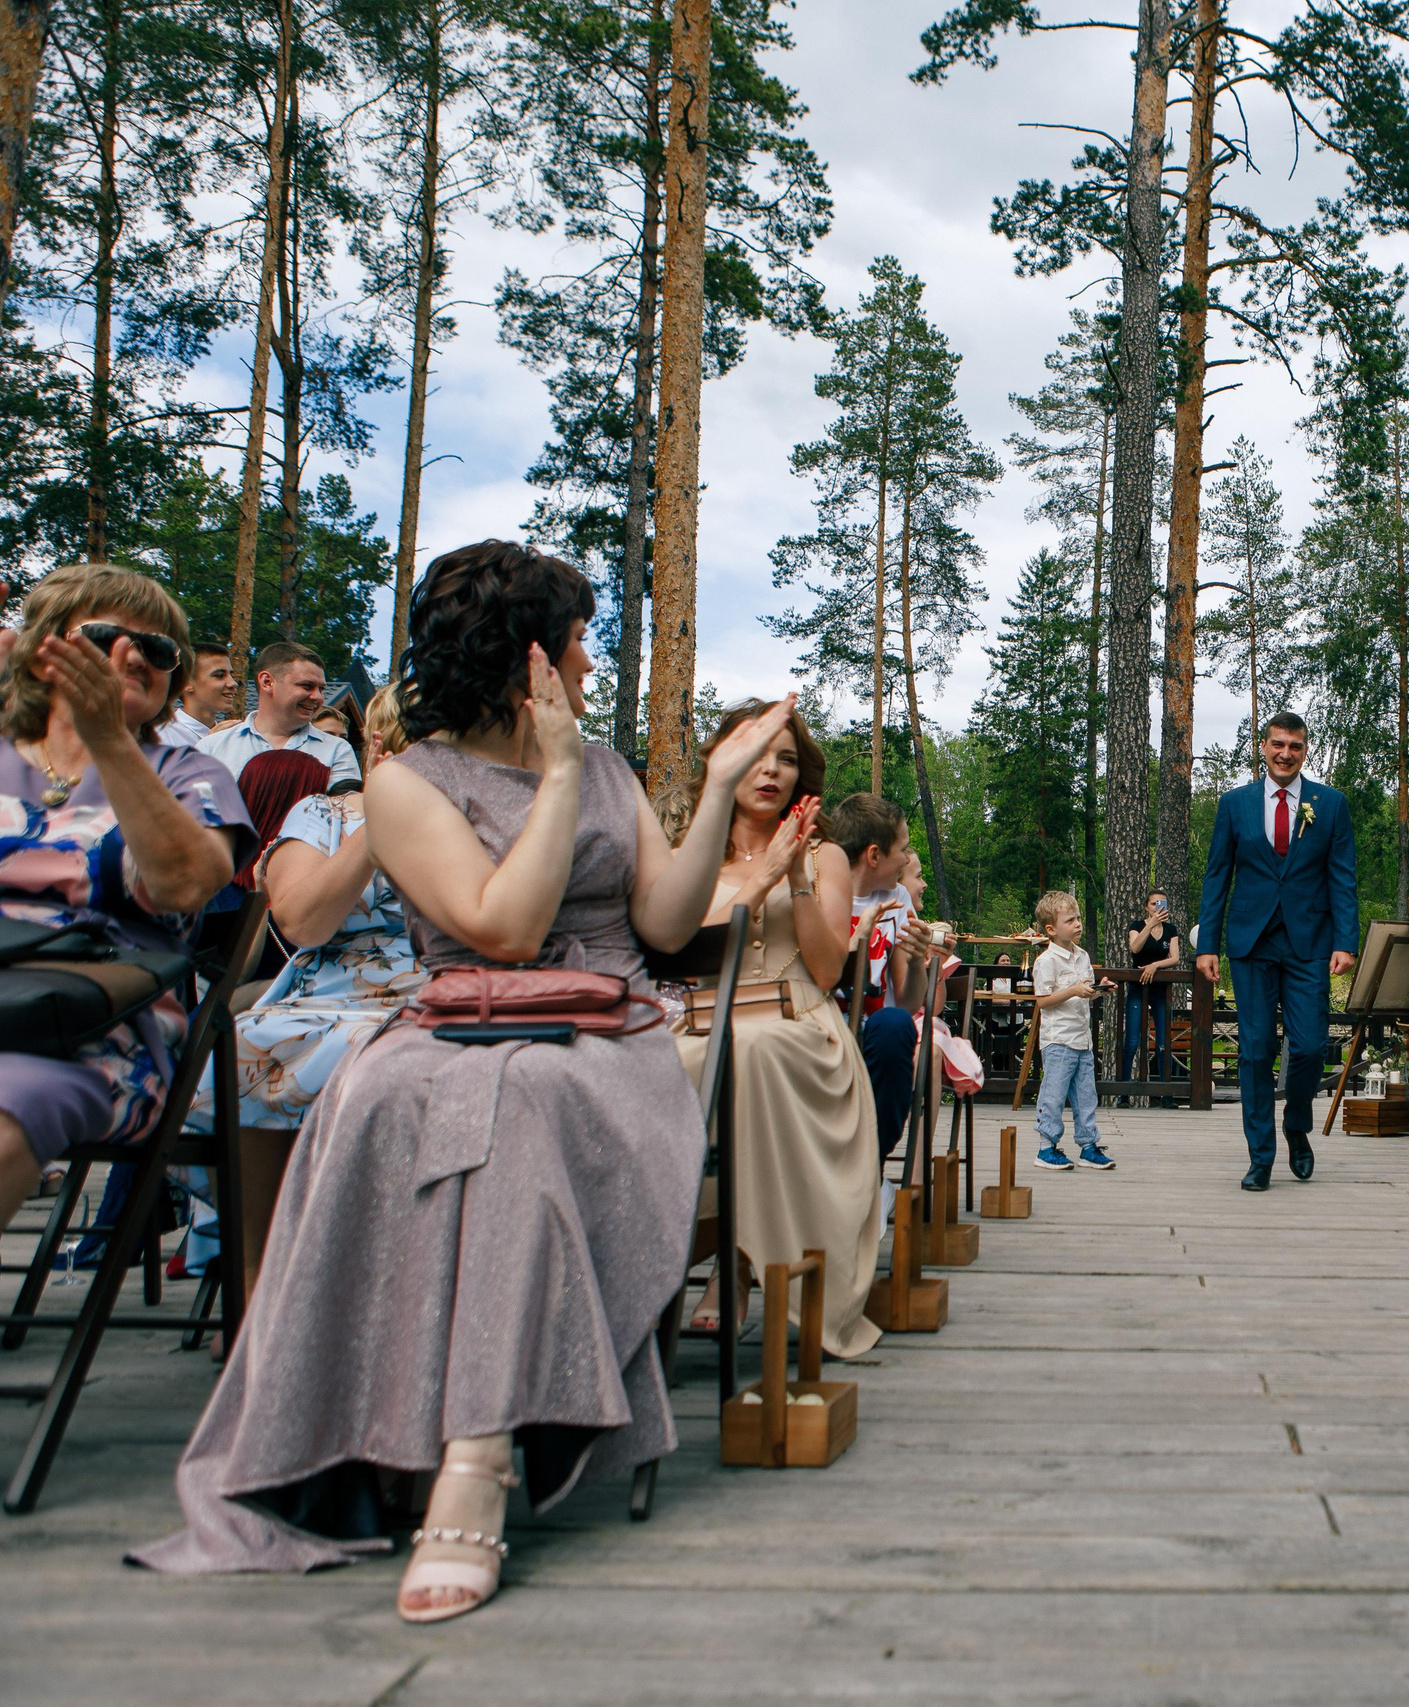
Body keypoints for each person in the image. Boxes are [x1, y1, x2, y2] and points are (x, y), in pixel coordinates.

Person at [136, 540, 791, 1624]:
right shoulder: (404, 784)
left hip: (602, 1032)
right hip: (454, 1019)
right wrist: (562, 772)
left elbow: (668, 923)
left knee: (522, 1101)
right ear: (524, 656)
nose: (591, 663)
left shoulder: (613, 770)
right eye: (577, 641)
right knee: (383, 1099)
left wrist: (717, 788)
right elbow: (499, 928)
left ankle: (473, 1464)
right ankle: (375, 1433)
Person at [0, 565, 251, 1235]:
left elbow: (185, 884)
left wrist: (110, 740)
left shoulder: (188, 774)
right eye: (108, 634)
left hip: (93, 1036)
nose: (135, 655)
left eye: (160, 649)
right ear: (43, 649)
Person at [661, 697, 880, 1358]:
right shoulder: (689, 859)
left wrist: (796, 878)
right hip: (703, 1021)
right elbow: (679, 950)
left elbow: (827, 967)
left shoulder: (825, 860)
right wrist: (757, 878)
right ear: (722, 765)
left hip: (799, 1024)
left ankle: (737, 1265)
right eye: (757, 755)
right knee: (665, 1064)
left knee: (752, 1051)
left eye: (786, 758)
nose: (772, 770)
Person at [193, 688, 424, 1137]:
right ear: (389, 742)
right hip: (332, 995)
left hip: (451, 992)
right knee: (256, 1044)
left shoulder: (486, 815)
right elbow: (301, 924)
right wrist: (379, 818)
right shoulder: (326, 813)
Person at [1196, 711, 1358, 1192]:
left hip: (1309, 943)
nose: (1285, 753)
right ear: (1263, 747)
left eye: (1295, 746)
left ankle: (1297, 1126)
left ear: (1305, 750)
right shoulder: (1234, 804)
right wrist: (1208, 945)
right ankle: (1260, 1157)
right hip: (1251, 942)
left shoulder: (1329, 804)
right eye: (1277, 744)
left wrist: (1345, 941)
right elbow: (1216, 877)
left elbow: (1342, 877)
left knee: (1310, 1046)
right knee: (1256, 1049)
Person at [834, 791, 934, 1161]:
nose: (907, 859)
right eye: (903, 849)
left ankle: (870, 1164)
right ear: (874, 855)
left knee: (893, 1023)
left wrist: (918, 958)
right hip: (821, 1021)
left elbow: (907, 1004)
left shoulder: (897, 902)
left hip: (874, 1029)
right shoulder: (820, 892)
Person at [197, 639, 359, 790]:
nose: (318, 697)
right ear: (267, 682)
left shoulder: (336, 750)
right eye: (307, 686)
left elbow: (345, 815)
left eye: (321, 689)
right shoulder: (212, 748)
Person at [1031, 889, 1114, 1171]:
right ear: (1051, 929)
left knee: (1086, 1095)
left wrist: (1099, 990)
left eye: (1078, 918)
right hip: (1058, 1040)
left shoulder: (1083, 956)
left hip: (1083, 1040)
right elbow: (1043, 1001)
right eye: (1070, 920)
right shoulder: (1046, 962)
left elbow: (1084, 993)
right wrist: (1073, 990)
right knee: (1053, 1095)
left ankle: (1088, 1146)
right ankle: (1046, 1147)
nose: (1078, 924)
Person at [1122, 887, 1177, 1085]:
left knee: (1162, 1042)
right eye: (1154, 903)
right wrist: (1150, 925)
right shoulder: (1136, 925)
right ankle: (1124, 1092)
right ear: (1147, 906)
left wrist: (1155, 965)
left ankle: (1165, 1091)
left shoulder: (1170, 930)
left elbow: (1175, 958)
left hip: (1160, 988)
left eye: (1162, 904)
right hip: (1138, 987)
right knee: (1132, 1041)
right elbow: (1135, 947)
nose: (1157, 907)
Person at [160, 641, 237, 749]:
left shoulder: (231, 737)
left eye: (231, 675)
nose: (233, 683)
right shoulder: (162, 737)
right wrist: (208, 746)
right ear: (186, 683)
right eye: (219, 675)